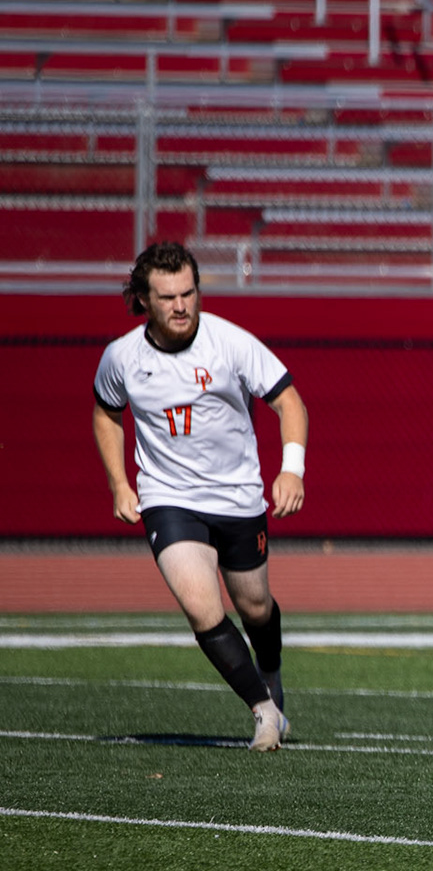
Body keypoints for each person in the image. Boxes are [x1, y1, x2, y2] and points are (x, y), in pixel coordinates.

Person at [91, 242, 308, 752]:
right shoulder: (122, 357)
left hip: (237, 498)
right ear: (144, 299)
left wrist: (292, 470)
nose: (182, 305)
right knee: (201, 607)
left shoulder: (230, 343)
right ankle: (263, 711)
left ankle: (271, 677)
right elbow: (106, 412)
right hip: (169, 497)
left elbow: (289, 401)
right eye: (168, 297)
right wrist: (120, 483)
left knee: (254, 607)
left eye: (189, 292)